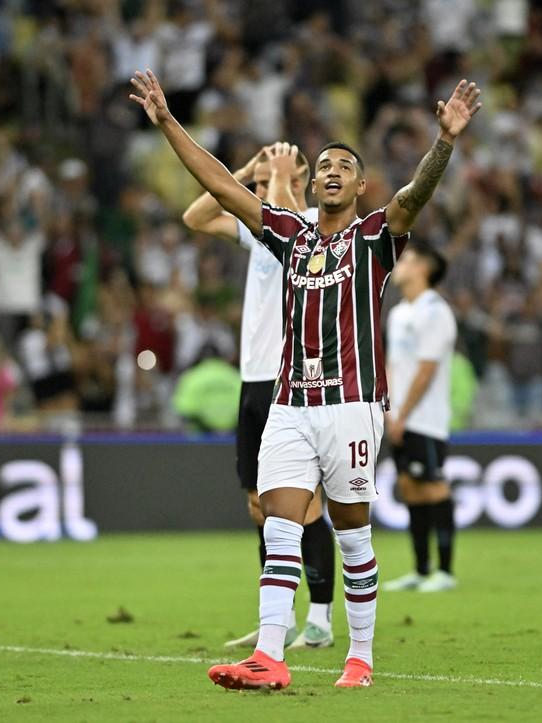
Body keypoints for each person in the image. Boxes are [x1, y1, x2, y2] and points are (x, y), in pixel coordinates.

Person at [130, 68, 482, 690]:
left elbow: (417, 193)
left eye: (344, 165)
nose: (332, 171)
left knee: (352, 533)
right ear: (313, 183)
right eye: (323, 166)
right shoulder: (288, 237)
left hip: (351, 406)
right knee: (279, 520)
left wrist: (445, 143)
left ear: (360, 183)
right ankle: (269, 656)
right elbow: (215, 182)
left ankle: (361, 657)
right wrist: (165, 122)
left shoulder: (375, 238)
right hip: (289, 405)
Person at [182, 144, 337, 651]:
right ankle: (279, 617)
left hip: (291, 376)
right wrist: (246, 171)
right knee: (259, 504)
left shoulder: (312, 223)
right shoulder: (257, 226)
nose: (269, 170)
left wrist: (279, 178)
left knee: (304, 504)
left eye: (283, 162)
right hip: (252, 377)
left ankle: (320, 618)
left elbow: (286, 220)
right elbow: (196, 216)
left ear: (304, 177)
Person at [382, 241, 458, 593]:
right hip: (398, 417)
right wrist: (388, 410)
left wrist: (404, 414)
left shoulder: (435, 312)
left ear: (424, 269)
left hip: (425, 418)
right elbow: (391, 366)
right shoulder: (399, 313)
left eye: (409, 259)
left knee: (433, 485)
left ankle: (445, 571)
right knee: (410, 487)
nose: (401, 264)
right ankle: (420, 568)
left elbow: (426, 371)